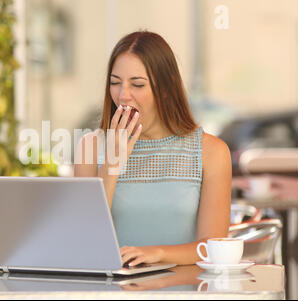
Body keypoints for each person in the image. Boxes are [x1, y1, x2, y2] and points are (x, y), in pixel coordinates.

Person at [74, 30, 232, 266]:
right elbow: (83, 243)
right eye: (115, 83)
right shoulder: (89, 147)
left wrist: (158, 253)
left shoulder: (212, 152)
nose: (123, 95)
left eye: (137, 84)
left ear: (166, 90)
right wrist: (110, 167)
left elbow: (213, 247)